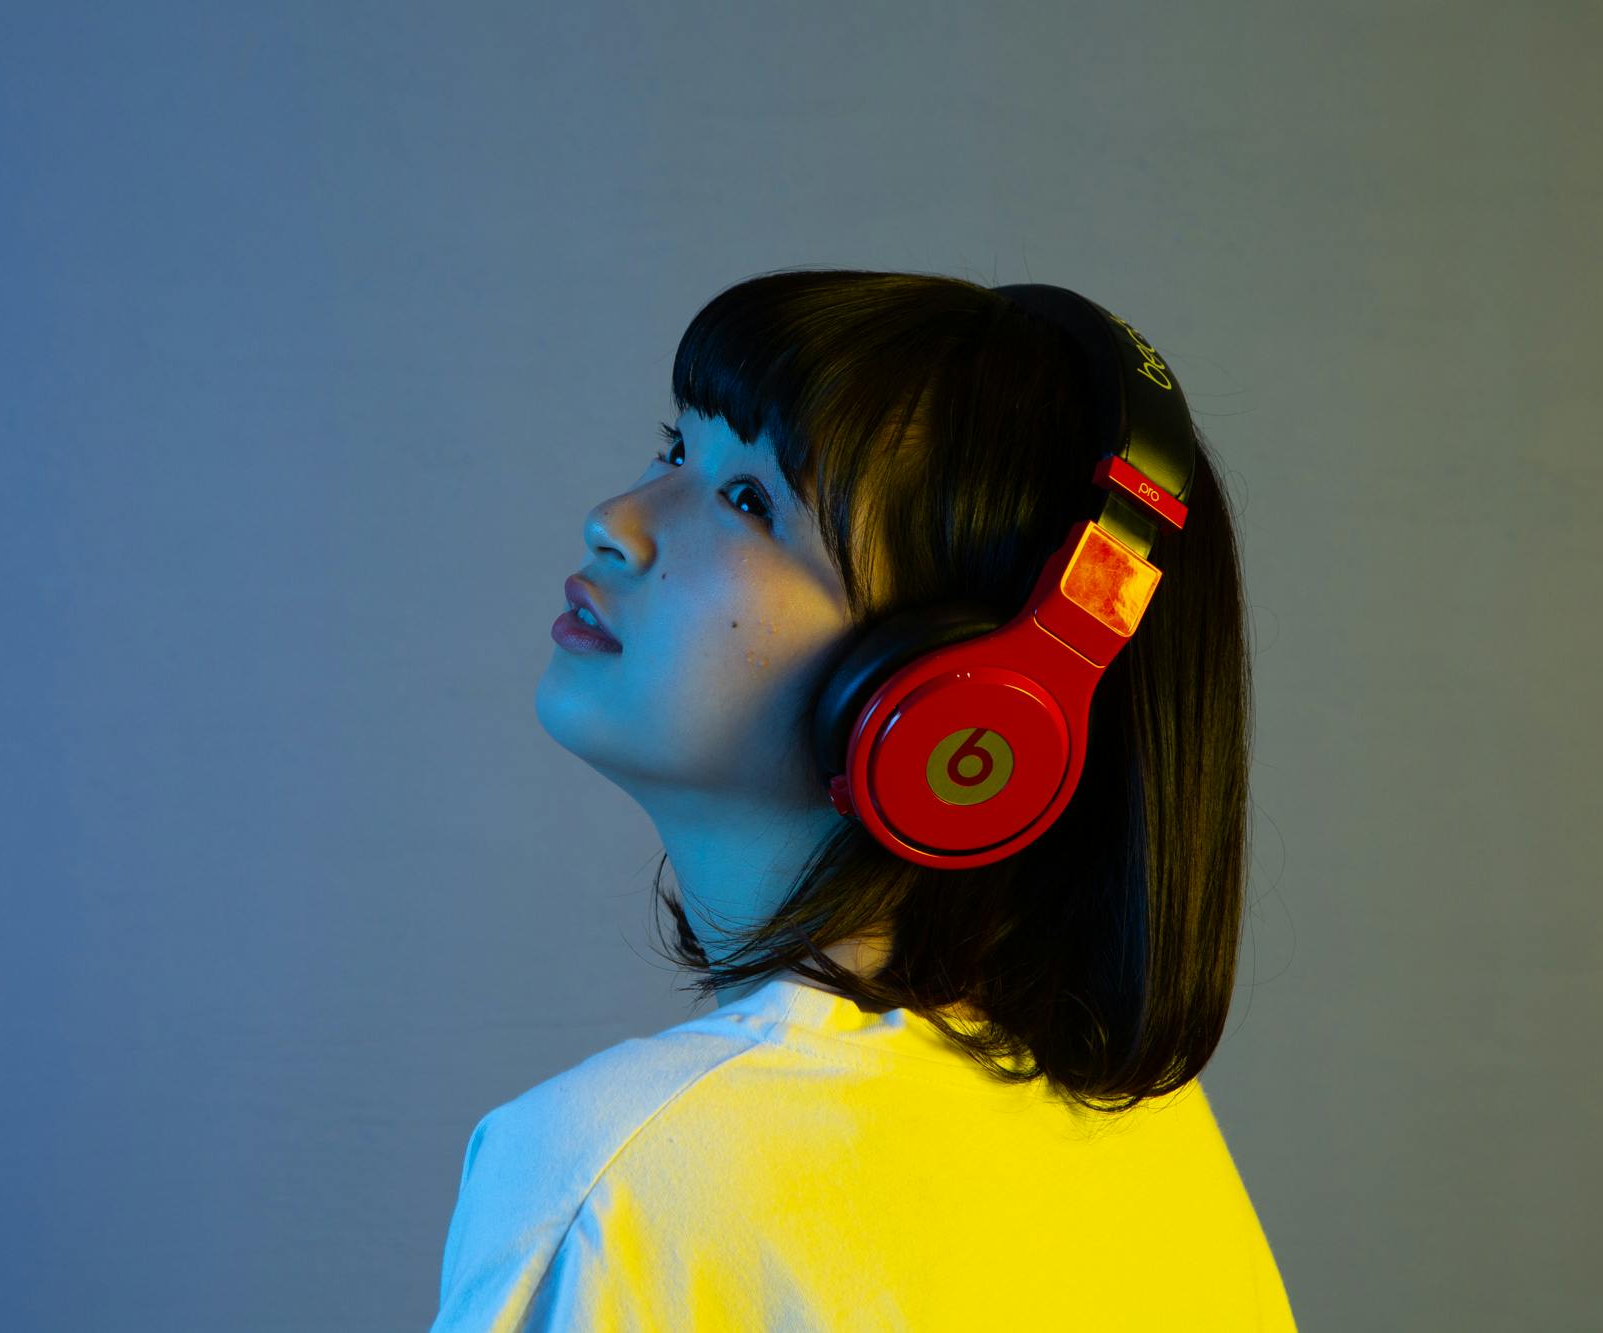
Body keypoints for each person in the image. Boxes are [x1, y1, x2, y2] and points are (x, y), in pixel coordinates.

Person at [433, 267, 1297, 1330]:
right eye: (674, 451)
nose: (615, 521)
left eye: (748, 502)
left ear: (961, 712)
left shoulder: (612, 1179)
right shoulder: (1152, 1139)